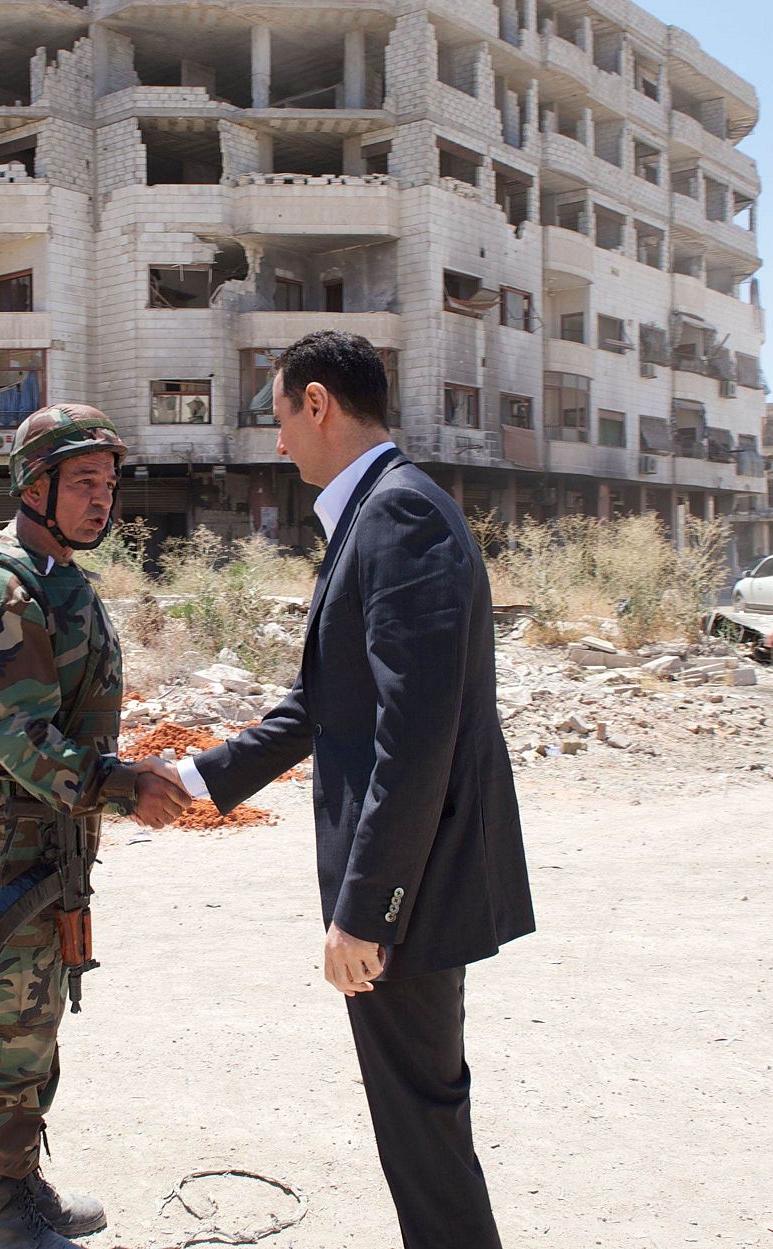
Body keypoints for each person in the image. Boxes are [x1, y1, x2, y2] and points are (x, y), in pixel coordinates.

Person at [140, 332, 535, 1249]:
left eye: (279, 418)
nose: (277, 444)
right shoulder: (376, 514)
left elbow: (417, 734)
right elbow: (321, 704)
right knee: (418, 1125)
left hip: (414, 891)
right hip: (409, 887)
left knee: (424, 1131)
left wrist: (369, 910)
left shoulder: (399, 516)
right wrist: (194, 778)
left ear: (317, 404)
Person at [0, 404, 189, 1249]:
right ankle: (0, 1210)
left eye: (109, 484)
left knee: (36, 1018)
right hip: (10, 847)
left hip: (55, 839)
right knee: (5, 1024)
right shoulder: (0, 586)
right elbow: (19, 737)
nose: (100, 500)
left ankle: (22, 1187)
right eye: (83, 482)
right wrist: (123, 784)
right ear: (32, 485)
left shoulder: (61, 577)